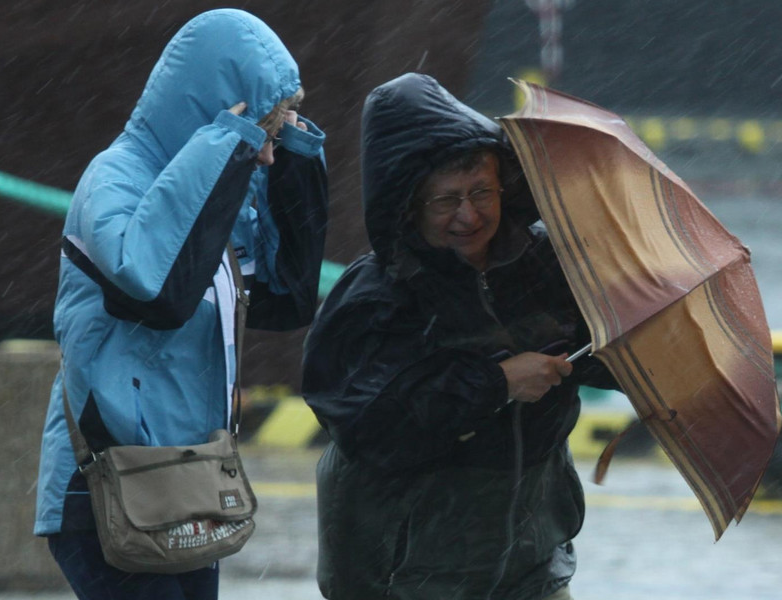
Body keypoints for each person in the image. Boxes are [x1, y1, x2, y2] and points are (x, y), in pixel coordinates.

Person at [33, 9, 327, 600]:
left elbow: (285, 298)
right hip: (110, 486)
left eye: (274, 135)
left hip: (183, 481)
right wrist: (225, 146)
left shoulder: (218, 191)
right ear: (219, 115)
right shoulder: (113, 180)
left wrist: (295, 156)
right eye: (266, 134)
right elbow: (155, 291)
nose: (265, 155)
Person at [302, 73, 619, 600]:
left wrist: (625, 344)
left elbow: (600, 350)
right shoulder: (374, 298)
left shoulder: (545, 263)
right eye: (445, 201)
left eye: (481, 192)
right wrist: (496, 383)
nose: (469, 216)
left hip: (530, 558)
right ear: (407, 204)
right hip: (405, 574)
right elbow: (371, 429)